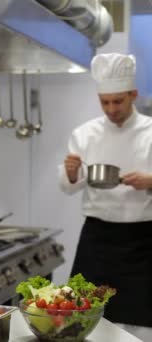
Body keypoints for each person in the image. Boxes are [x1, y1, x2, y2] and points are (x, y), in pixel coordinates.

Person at [59, 53, 152, 334]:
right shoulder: (84, 133)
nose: (111, 109)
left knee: (143, 322)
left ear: (133, 94)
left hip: (143, 240)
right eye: (105, 102)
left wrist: (150, 180)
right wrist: (72, 172)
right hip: (97, 239)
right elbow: (67, 187)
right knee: (85, 319)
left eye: (118, 101)